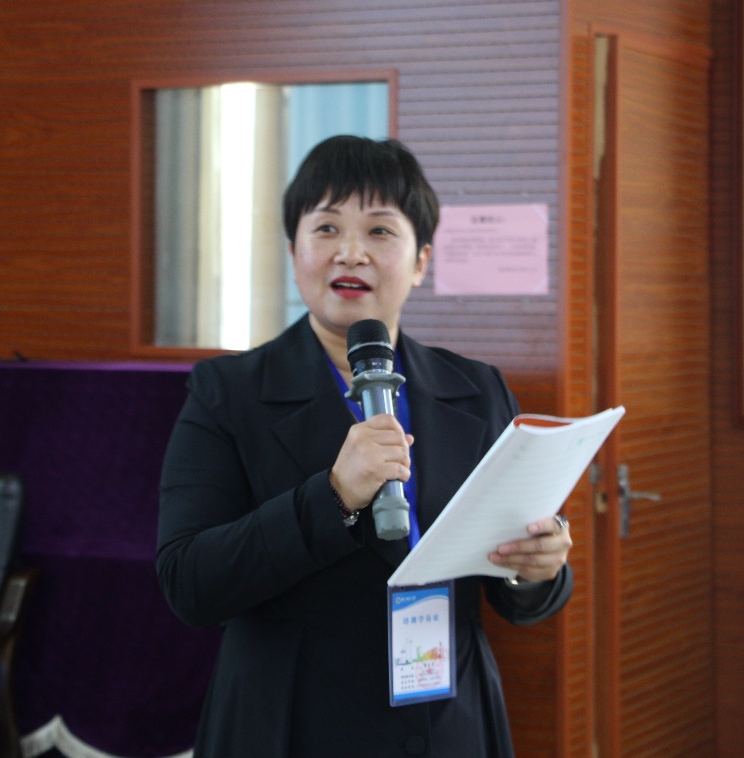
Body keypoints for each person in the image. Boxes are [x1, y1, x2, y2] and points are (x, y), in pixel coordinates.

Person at [156, 135, 573, 758]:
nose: (351, 252)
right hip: (292, 723)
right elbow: (190, 582)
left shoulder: (477, 391)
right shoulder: (228, 392)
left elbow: (519, 598)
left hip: (447, 722)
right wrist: (331, 497)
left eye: (380, 231)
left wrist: (534, 569)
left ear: (421, 260)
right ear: (293, 251)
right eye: (326, 228)